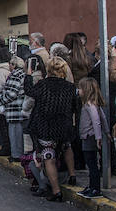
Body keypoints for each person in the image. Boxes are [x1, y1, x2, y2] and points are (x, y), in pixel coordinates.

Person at [25, 57, 77, 202]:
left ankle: (56, 191)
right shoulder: (70, 87)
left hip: (46, 125)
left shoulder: (43, 85)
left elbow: (29, 91)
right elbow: (74, 107)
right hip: (64, 124)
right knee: (67, 147)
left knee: (49, 156)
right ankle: (72, 175)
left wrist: (28, 74)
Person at [77, 77, 107, 198]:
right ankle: (91, 186)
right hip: (88, 136)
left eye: (80, 88)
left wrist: (99, 137)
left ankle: (95, 188)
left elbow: (97, 120)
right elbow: (103, 118)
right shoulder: (92, 104)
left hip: (90, 136)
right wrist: (107, 132)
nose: (78, 91)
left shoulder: (89, 105)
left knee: (92, 164)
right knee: (91, 163)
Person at [0, 55, 27, 161]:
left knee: (14, 135)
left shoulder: (15, 75)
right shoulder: (22, 74)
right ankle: (17, 154)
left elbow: (12, 93)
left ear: (13, 65)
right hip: (19, 109)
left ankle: (16, 155)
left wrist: (0, 100)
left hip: (14, 110)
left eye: (10, 63)